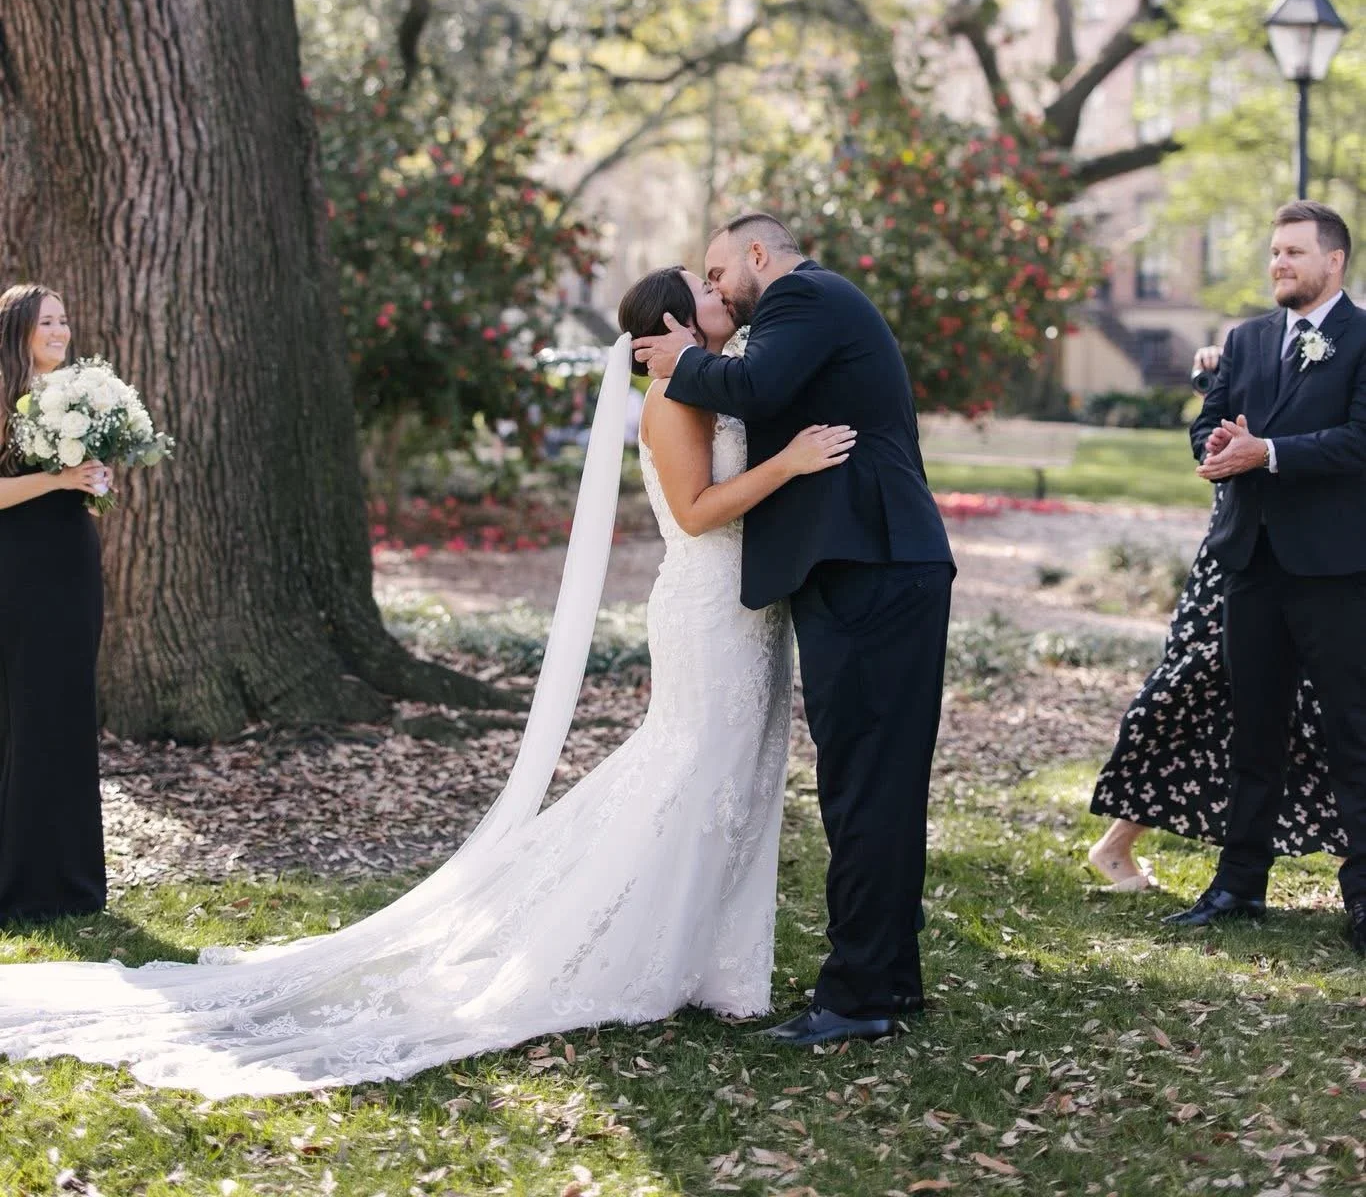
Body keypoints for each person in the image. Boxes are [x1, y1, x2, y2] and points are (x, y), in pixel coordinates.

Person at [0, 266, 850, 1096]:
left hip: (744, 612)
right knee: (691, 776)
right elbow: (700, 510)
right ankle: (642, 950)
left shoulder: (716, 383)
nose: (721, 292)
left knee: (730, 781)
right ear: (668, 325)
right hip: (704, 610)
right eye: (704, 287)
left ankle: (712, 961)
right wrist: (792, 465)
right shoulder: (674, 399)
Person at [634, 212, 954, 1047]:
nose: (714, 290)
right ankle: (887, 981)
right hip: (864, 569)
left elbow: (756, 390)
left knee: (865, 787)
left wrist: (681, 363)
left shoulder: (801, 298)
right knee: (872, 786)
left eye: (716, 273)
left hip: (874, 570)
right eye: (701, 286)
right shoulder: (803, 310)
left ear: (756, 254)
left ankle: (855, 1000)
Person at [1162, 201, 1366, 950]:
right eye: (1274, 252)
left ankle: (1364, 899)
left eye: (1293, 253)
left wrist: (1268, 452)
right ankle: (1239, 885)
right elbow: (1205, 425)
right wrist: (1216, 443)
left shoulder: (1363, 338)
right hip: (1250, 565)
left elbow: (1358, 442)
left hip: (1338, 571)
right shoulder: (1245, 341)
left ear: (1334, 261)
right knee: (1252, 733)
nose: (1278, 263)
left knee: (1354, 732)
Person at [1087, 346, 1341, 893]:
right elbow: (1226, 428)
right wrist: (1216, 377)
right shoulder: (1267, 343)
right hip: (1239, 561)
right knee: (1193, 689)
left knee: (1323, 709)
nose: (1282, 262)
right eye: (1278, 251)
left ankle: (1353, 865)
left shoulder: (1347, 343)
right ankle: (1116, 845)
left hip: (1314, 559)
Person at [0, 284, 112, 924]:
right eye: (47, 321)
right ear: (19, 330)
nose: (61, 330)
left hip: (71, 561)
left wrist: (95, 481)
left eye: (65, 319)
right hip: (17, 566)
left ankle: (69, 883)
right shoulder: (5, 397)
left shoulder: (83, 394)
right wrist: (58, 478)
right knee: (25, 714)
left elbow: (81, 492)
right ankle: (20, 884)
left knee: (67, 714)